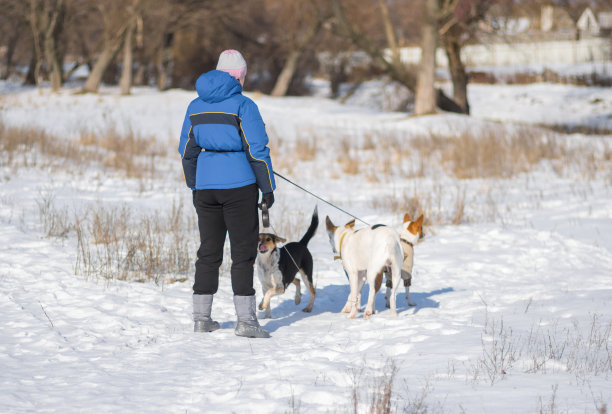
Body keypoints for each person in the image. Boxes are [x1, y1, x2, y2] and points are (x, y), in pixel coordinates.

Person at [178, 49, 276, 338]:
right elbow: (257, 152)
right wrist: (267, 188)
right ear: (238, 76)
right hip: (239, 188)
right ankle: (246, 322)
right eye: (243, 76)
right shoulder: (243, 106)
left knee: (208, 251)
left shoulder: (195, 106)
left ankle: (201, 319)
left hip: (205, 189)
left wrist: (196, 185)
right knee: (242, 253)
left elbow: (187, 151)